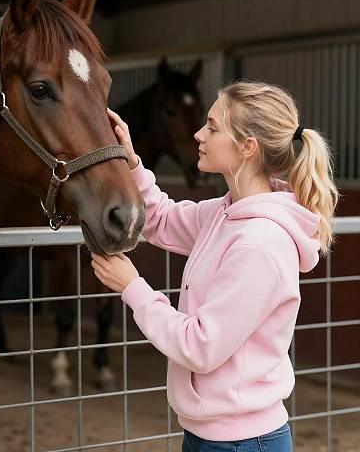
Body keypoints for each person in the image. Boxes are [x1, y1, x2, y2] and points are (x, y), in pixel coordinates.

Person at [91, 82, 338, 452]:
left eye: (212, 126)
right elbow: (163, 219)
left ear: (247, 147)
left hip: (242, 442)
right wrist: (131, 162)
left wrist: (133, 288)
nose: (198, 134)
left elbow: (200, 346)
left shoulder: (259, 244)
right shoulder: (226, 213)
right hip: (212, 436)